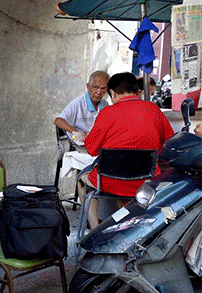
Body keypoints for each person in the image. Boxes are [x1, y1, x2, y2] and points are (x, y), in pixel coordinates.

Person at [77, 72, 174, 229]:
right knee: (127, 191)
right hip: (146, 181)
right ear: (136, 91)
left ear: (113, 93)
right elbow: (168, 143)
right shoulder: (154, 109)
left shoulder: (107, 113)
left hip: (111, 181)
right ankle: (128, 227)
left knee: (82, 179)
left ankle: (94, 229)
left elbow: (91, 149)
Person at [54, 70, 110, 141]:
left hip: (95, 143)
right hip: (78, 144)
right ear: (88, 86)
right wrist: (75, 132)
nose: (99, 92)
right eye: (96, 87)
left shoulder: (105, 104)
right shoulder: (77, 104)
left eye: (103, 88)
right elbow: (58, 120)